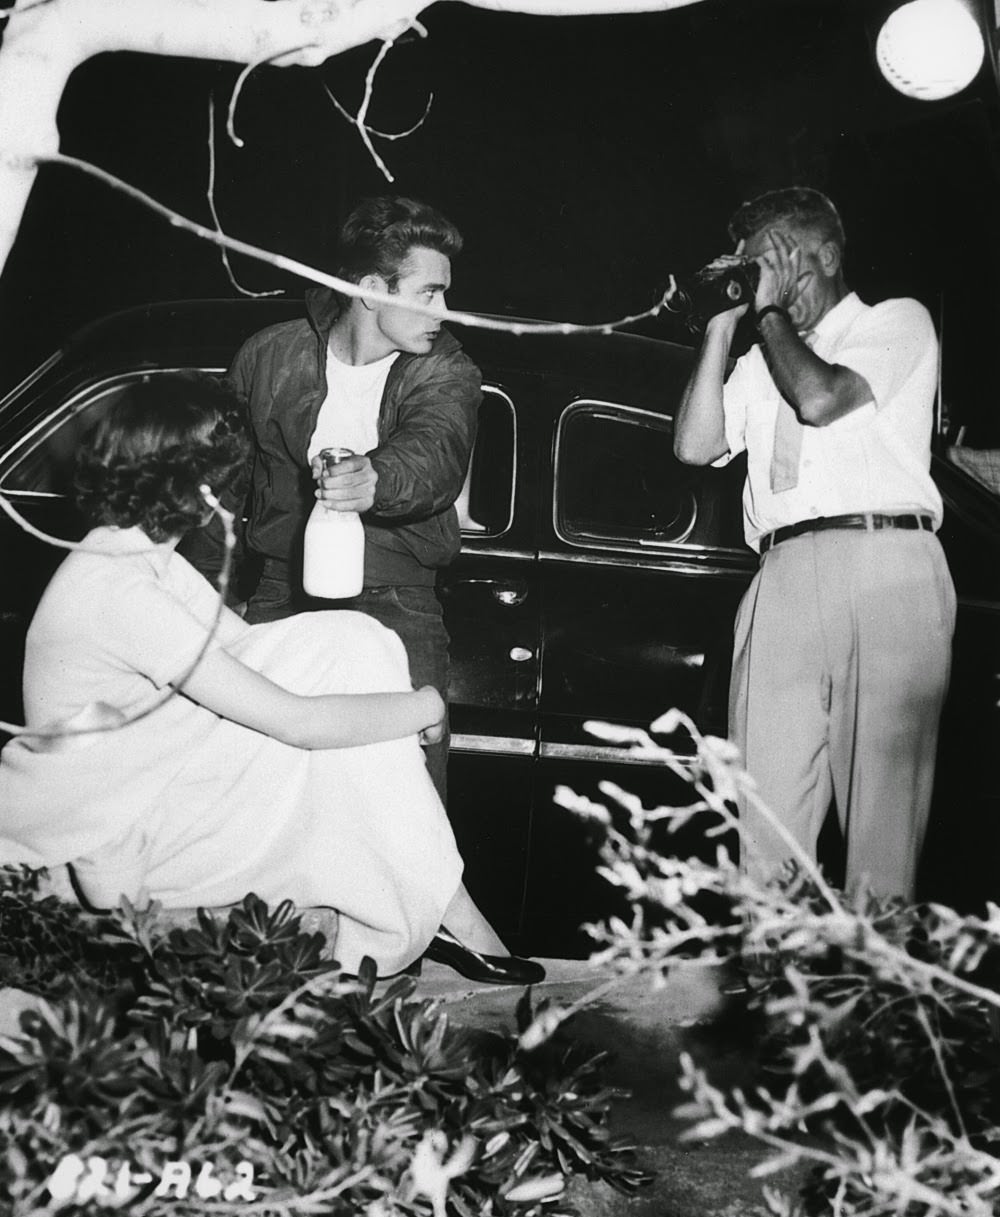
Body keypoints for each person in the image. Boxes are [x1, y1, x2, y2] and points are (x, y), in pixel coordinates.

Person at [0, 375, 543, 984]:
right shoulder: (121, 590)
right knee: (347, 664)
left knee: (349, 642)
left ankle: (442, 909)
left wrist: (380, 690)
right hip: (106, 847)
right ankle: (447, 911)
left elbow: (261, 655)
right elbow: (296, 720)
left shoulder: (134, 557)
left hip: (144, 801)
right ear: (196, 485)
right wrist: (425, 707)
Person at [673, 186, 955, 901]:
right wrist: (721, 325)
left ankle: (873, 970)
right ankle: (774, 969)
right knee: (764, 821)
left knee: (881, 826)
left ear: (826, 256)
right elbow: (696, 445)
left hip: (885, 562)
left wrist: (768, 315)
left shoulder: (895, 322)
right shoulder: (760, 357)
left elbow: (822, 399)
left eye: (773, 261)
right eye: (750, 267)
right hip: (782, 571)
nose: (759, 280)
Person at [213, 195, 482, 805]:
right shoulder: (268, 355)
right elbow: (220, 489)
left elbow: (436, 452)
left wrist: (376, 478)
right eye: (429, 293)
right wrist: (208, 598)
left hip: (397, 600)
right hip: (281, 593)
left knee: (406, 804)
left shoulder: (447, 369)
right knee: (254, 789)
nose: (444, 311)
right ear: (371, 290)